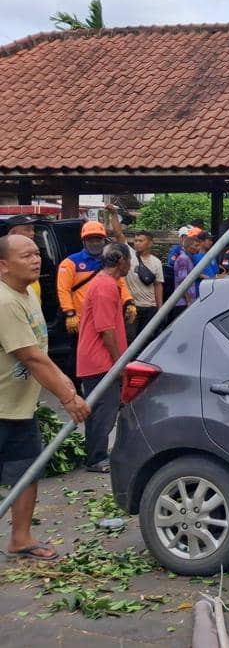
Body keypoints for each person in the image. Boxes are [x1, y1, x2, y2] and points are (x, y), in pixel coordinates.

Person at [0, 234, 90, 560]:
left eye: (36, 253)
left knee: (27, 471)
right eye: (26, 256)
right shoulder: (4, 302)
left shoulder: (28, 294)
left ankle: (20, 538)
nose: (36, 259)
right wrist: (68, 397)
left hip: (19, 406)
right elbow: (31, 357)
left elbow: (40, 351)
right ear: (3, 265)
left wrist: (66, 383)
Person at [76, 244, 130, 473]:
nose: (130, 265)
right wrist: (119, 363)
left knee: (99, 410)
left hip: (96, 358)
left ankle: (95, 454)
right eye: (129, 260)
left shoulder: (105, 283)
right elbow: (106, 329)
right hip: (100, 359)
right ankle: (96, 458)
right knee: (104, 411)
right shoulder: (105, 286)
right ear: (121, 261)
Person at [56, 219, 135, 351]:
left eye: (98, 239)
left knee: (107, 349)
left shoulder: (109, 261)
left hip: (106, 316)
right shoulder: (70, 262)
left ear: (104, 240)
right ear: (84, 241)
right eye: (90, 240)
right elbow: (63, 289)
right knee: (80, 352)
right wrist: (69, 313)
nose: (95, 243)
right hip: (80, 319)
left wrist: (128, 301)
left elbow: (120, 282)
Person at [123, 231, 163, 336]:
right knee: (130, 337)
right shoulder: (130, 256)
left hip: (150, 306)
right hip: (132, 306)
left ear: (150, 243)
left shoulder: (156, 262)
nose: (137, 243)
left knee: (147, 337)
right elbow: (119, 234)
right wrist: (115, 219)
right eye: (135, 240)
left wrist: (160, 307)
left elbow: (158, 285)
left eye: (141, 241)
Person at [3, 216, 41, 300]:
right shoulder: (4, 252)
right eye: (27, 230)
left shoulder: (32, 247)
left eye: (33, 229)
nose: (32, 233)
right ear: (13, 232)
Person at [169, 234, 198, 321]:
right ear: (189, 246)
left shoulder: (188, 258)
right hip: (182, 302)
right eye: (196, 246)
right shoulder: (183, 259)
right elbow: (183, 281)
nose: (198, 248)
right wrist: (188, 300)